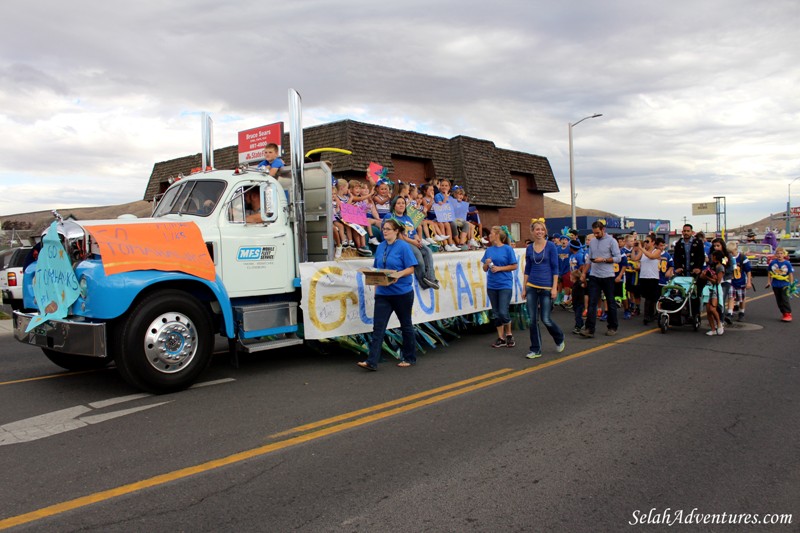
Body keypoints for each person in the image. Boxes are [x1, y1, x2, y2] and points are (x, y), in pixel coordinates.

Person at [357, 219, 419, 371]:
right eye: (384, 228)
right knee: (378, 327)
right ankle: (372, 361)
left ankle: (409, 357)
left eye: (388, 229)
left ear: (396, 231)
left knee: (406, 325)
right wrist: (375, 284)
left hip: (402, 293)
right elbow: (377, 269)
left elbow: (411, 268)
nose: (384, 231)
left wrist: (399, 274)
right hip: (383, 293)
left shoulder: (403, 246)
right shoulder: (380, 247)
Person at [522, 219, 565, 359]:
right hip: (532, 286)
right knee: (532, 319)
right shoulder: (529, 248)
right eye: (537, 229)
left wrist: (554, 288)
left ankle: (559, 337)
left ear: (545, 231)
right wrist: (524, 288)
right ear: (532, 232)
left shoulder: (551, 246)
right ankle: (535, 349)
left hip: (546, 286)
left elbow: (555, 268)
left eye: (542, 229)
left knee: (546, 319)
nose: (539, 232)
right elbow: (527, 269)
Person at [386, 195, 439, 289]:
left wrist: (418, 239)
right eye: (398, 203)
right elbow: (400, 237)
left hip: (412, 240)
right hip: (400, 243)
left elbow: (413, 232)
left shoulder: (408, 218)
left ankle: (431, 278)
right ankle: (424, 282)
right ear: (394, 206)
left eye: (403, 203)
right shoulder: (391, 217)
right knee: (418, 255)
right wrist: (414, 242)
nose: (401, 205)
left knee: (427, 251)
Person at [580, 221, 621, 337]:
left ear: (603, 230)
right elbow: (589, 259)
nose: (596, 235)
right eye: (594, 233)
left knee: (610, 301)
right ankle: (589, 329)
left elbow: (618, 258)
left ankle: (612, 326)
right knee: (592, 302)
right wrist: (583, 273)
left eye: (598, 233)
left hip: (608, 276)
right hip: (594, 276)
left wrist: (603, 259)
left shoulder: (612, 241)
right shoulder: (592, 242)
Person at [482, 226, 519, 348]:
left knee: (503, 311)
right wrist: (487, 264)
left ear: (497, 235)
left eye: (491, 233)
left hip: (505, 284)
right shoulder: (489, 250)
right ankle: (501, 337)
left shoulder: (507, 249)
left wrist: (500, 268)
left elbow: (514, 266)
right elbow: (484, 269)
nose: (489, 236)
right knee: (496, 312)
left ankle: (509, 334)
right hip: (492, 284)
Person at [672, 224, 707, 317]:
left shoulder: (698, 242)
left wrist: (699, 268)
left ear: (692, 232)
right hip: (683, 273)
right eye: (685, 231)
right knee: (681, 293)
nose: (686, 233)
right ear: (682, 232)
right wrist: (677, 267)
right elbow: (676, 257)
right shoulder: (679, 243)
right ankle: (682, 312)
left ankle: (695, 314)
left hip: (694, 273)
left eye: (688, 231)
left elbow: (701, 257)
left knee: (694, 295)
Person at [631, 235, 662, 324]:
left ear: (653, 242)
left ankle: (648, 315)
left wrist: (642, 248)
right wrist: (634, 248)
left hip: (653, 277)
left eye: (648, 241)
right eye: (645, 241)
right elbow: (634, 258)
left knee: (651, 298)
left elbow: (651, 256)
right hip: (644, 277)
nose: (646, 243)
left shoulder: (657, 251)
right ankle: (649, 315)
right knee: (647, 297)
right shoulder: (643, 251)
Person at [765, 247, 794, 322]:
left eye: (781, 253)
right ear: (775, 254)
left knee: (785, 299)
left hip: (785, 284)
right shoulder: (773, 262)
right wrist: (769, 282)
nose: (779, 255)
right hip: (775, 284)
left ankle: (788, 313)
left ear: (784, 254)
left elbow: (790, 274)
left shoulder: (787, 263)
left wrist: (791, 284)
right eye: (778, 253)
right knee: (779, 300)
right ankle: (784, 313)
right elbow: (769, 272)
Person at [700, 250, 726, 335]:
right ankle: (713, 329)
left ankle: (719, 324)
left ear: (716, 257)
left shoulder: (720, 267)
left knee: (713, 308)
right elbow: (702, 276)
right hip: (708, 288)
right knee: (708, 311)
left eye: (713, 256)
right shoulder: (710, 266)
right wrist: (704, 275)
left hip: (715, 289)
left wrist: (707, 277)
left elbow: (717, 282)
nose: (711, 257)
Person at [728, 241, 752, 321]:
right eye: (729, 252)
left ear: (736, 249)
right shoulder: (727, 258)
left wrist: (748, 282)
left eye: (732, 252)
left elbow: (748, 270)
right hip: (731, 281)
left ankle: (741, 312)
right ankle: (730, 313)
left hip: (741, 281)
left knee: (741, 298)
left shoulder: (742, 257)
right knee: (731, 296)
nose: (730, 254)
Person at [567, 239, 587, 335]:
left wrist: (577, 274)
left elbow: (582, 266)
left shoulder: (579, 255)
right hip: (573, 277)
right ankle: (580, 324)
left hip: (576, 276)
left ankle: (579, 325)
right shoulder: (571, 255)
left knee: (578, 313)